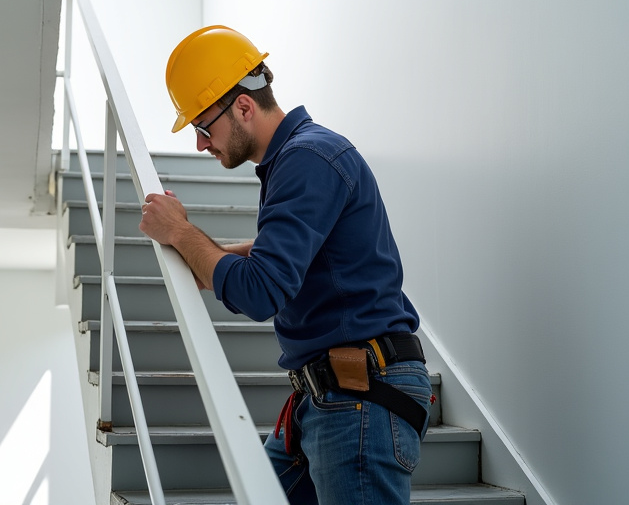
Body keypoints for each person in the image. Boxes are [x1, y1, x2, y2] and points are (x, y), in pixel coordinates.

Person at [138, 25, 433, 505]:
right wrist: (212, 257)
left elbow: (261, 292)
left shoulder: (308, 158)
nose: (199, 143)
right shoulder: (297, 159)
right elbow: (301, 257)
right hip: (326, 396)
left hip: (358, 396)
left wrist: (181, 233)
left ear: (243, 107)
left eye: (202, 126)